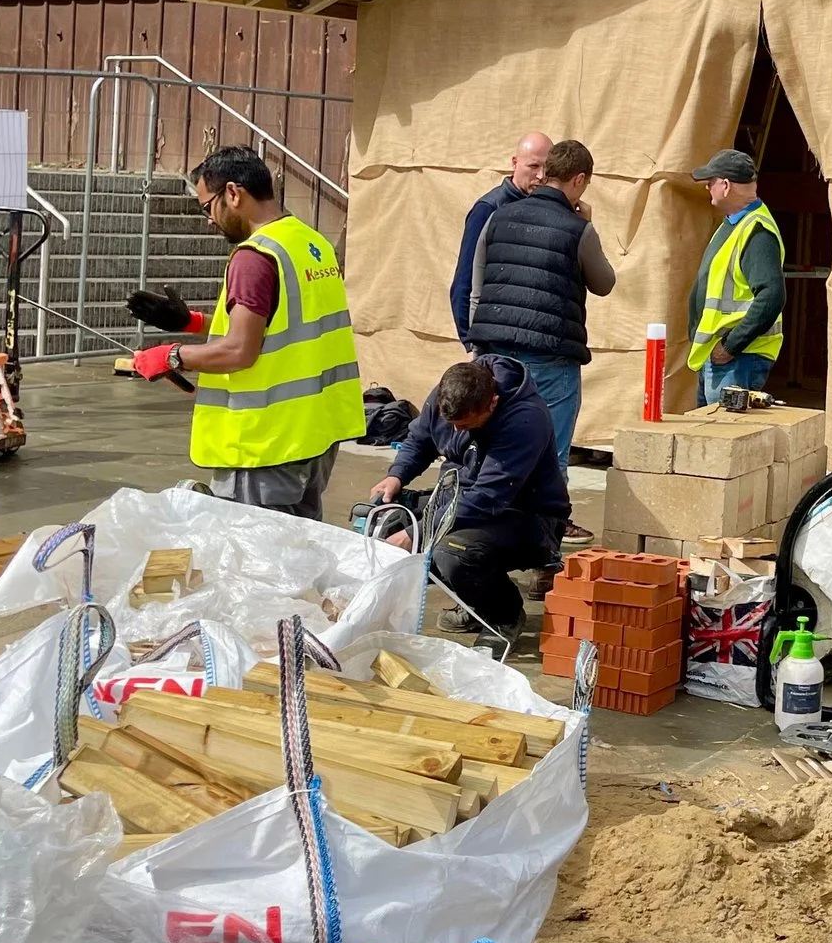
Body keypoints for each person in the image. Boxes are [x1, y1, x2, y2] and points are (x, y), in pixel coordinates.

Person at [126, 146, 363, 520]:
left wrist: (172, 355)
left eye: (207, 207)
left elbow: (240, 350)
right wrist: (191, 323)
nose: (208, 220)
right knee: (297, 553)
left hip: (264, 445)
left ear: (233, 194)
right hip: (313, 435)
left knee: (257, 564)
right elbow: (286, 323)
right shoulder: (310, 242)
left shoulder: (254, 258)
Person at [370, 356, 571, 634]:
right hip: (461, 498)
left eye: (465, 426)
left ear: (492, 403)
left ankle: (503, 616)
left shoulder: (525, 420)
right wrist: (397, 475)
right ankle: (468, 597)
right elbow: (420, 440)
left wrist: (418, 533)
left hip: (525, 514)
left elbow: (487, 498)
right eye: (451, 423)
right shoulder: (449, 394)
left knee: (454, 554)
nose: (455, 432)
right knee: (380, 524)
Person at [463, 137, 615, 463]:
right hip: (551, 358)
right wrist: (587, 225)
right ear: (579, 180)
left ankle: (487, 512)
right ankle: (545, 515)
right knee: (548, 461)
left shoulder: (497, 217)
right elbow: (604, 283)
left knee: (492, 453)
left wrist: (477, 350)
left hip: (494, 355)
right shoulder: (578, 230)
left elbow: (476, 290)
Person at [685, 147, 784, 407]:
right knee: (709, 437)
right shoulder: (734, 223)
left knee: (723, 439)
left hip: (737, 360)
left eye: (711, 182)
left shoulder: (756, 231)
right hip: (723, 359)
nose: (708, 188)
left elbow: (772, 296)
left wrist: (730, 346)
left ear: (726, 185)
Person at [452, 132, 551, 348]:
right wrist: (471, 343)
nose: (542, 175)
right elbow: (463, 283)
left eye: (547, 168)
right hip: (494, 343)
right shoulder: (489, 209)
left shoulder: (548, 209)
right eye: (533, 166)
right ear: (515, 163)